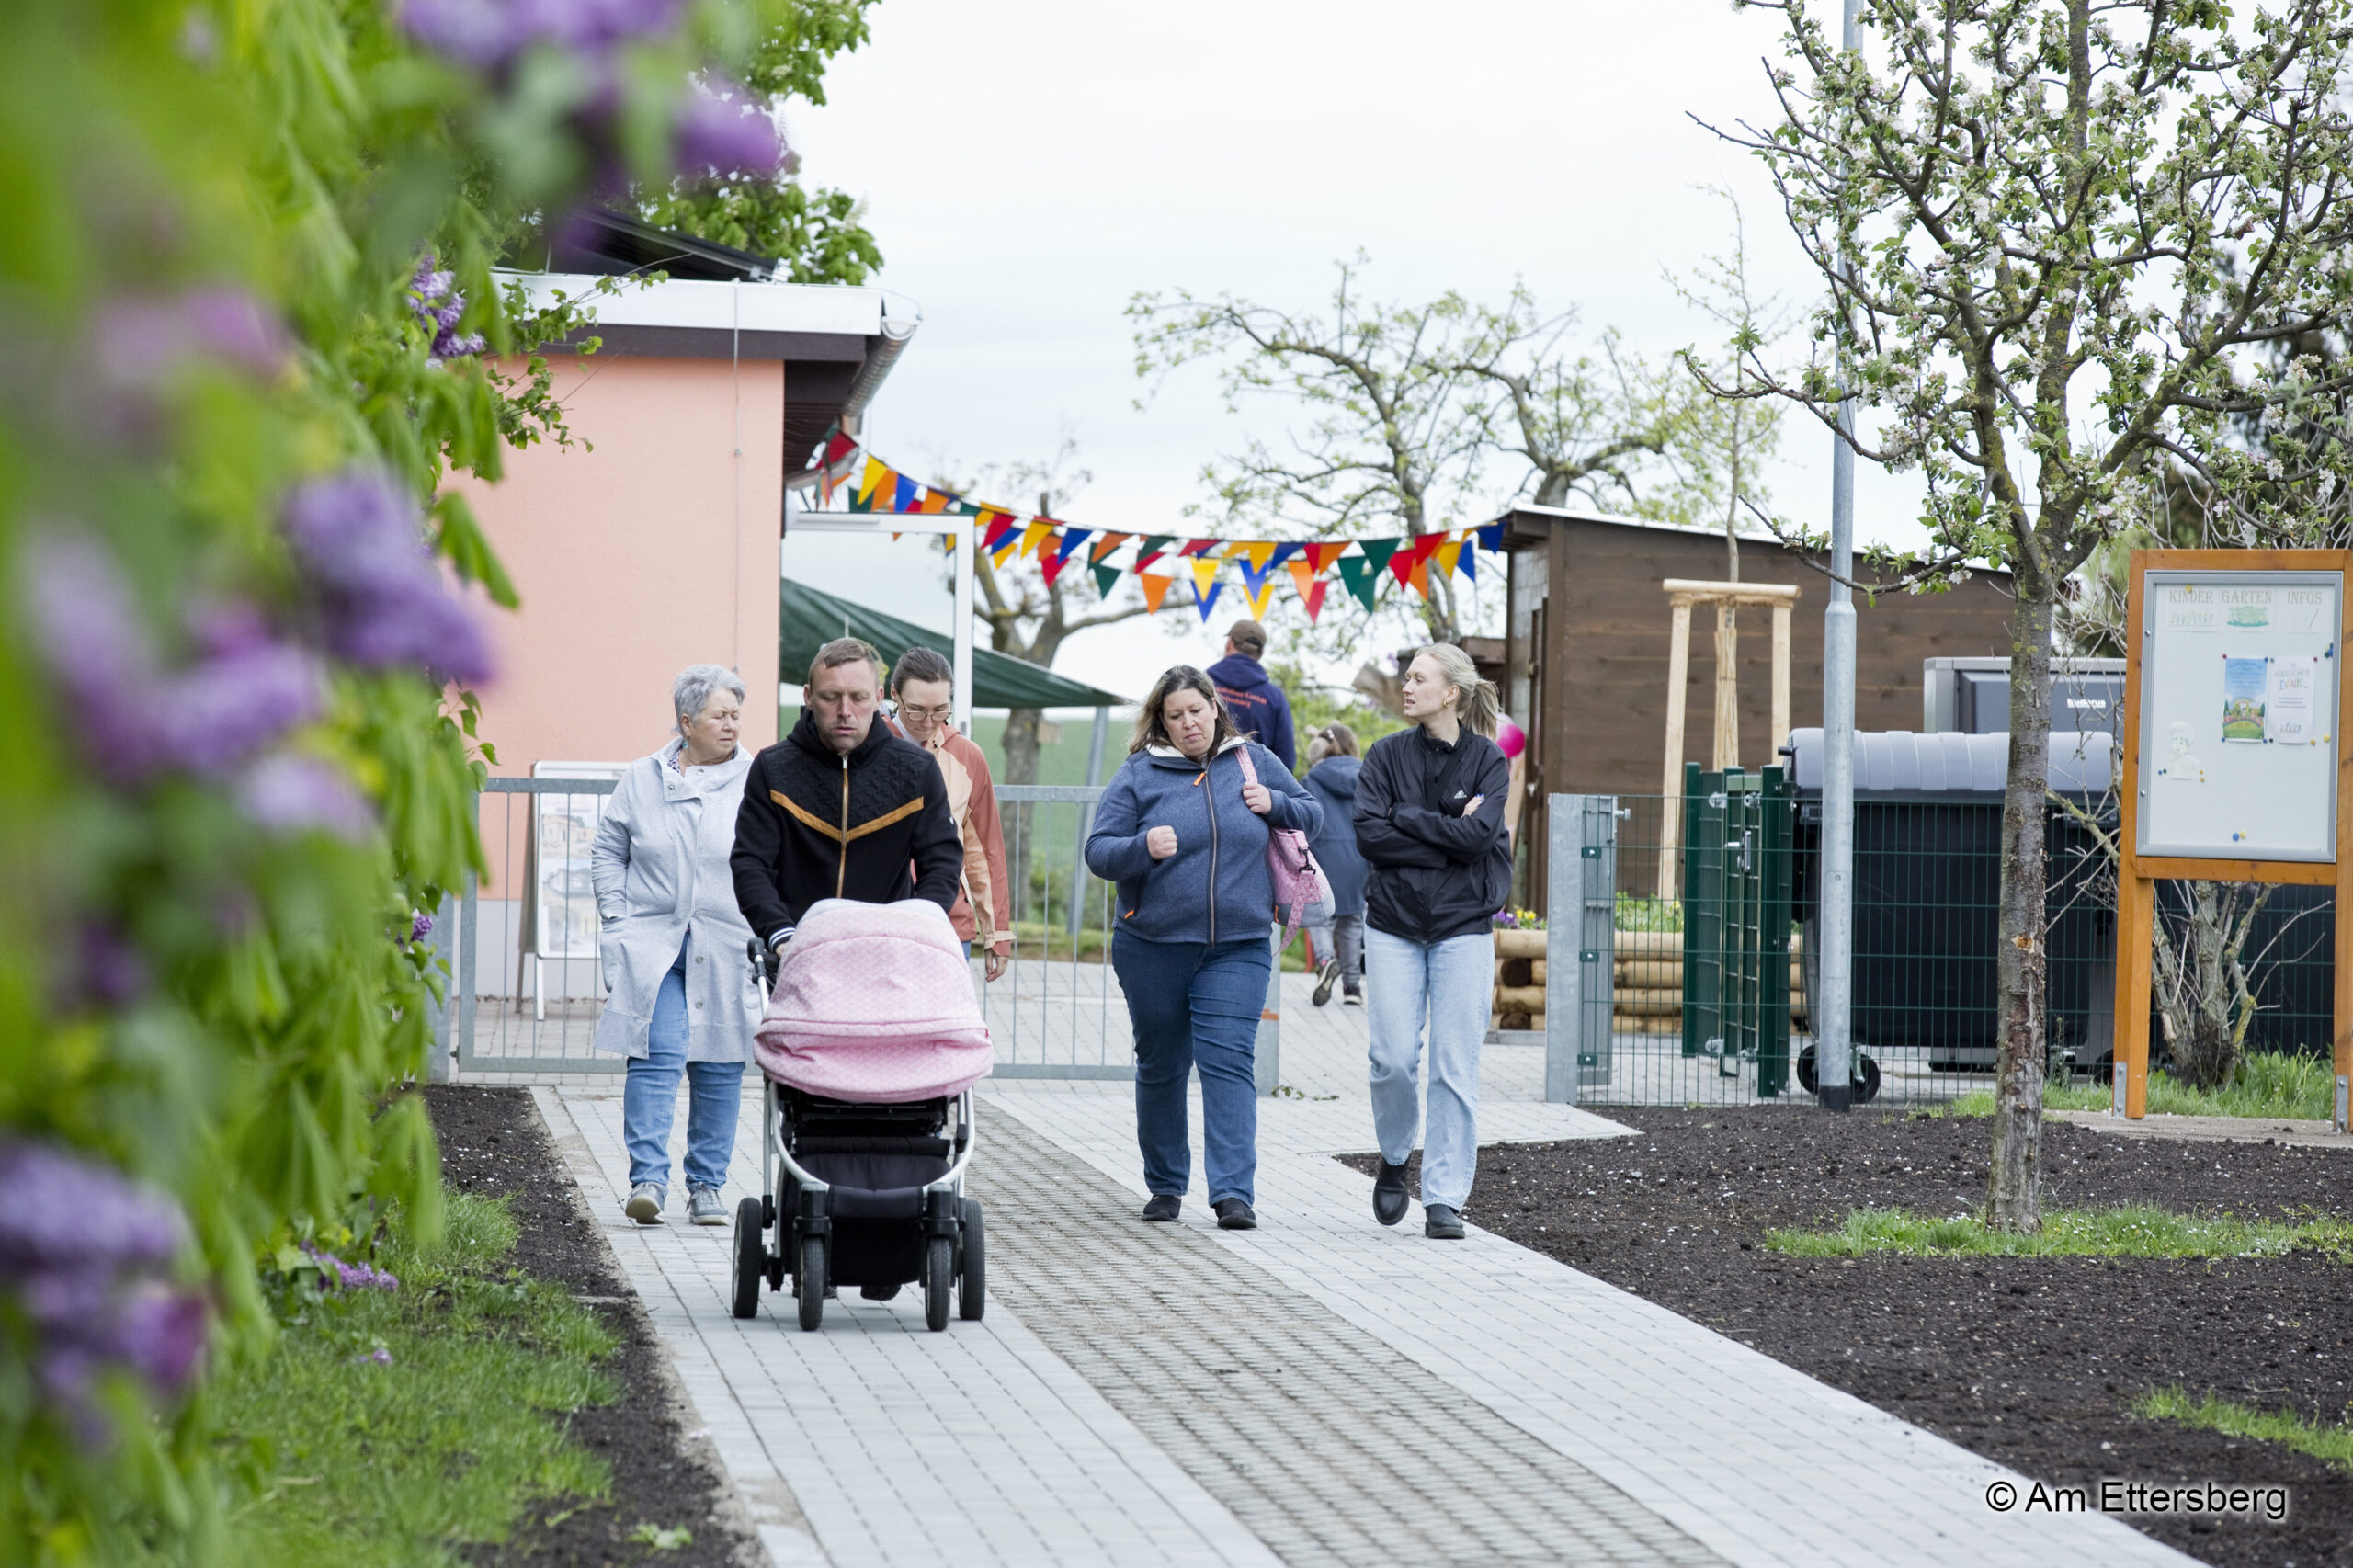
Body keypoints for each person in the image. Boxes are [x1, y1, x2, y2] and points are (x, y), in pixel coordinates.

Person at [1085, 666, 1320, 1231]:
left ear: (1215, 708)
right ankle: (1165, 1185)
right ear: (1161, 723)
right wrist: (1142, 845)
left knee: (1229, 1063)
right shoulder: (1140, 774)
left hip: (1238, 945)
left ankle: (1234, 1194)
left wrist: (1276, 805)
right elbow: (1099, 852)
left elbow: (1312, 812)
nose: (1189, 722)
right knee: (1163, 1064)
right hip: (1153, 945)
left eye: (1197, 710)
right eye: (1175, 715)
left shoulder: (1253, 762)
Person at [593, 665, 762, 1227]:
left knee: (718, 1065)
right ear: (686, 721)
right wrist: (616, 918)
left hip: (727, 941)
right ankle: (648, 1182)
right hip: (654, 943)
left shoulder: (755, 779)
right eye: (721, 714)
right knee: (656, 1055)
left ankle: (707, 1187)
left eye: (737, 714)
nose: (732, 724)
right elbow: (608, 848)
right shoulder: (642, 778)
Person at [1352, 644, 1511, 1241]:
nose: (1407, 686)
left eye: (1419, 678)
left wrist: (1408, 820)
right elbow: (1370, 835)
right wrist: (1449, 830)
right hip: (1392, 922)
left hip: (1462, 928)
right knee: (1391, 1058)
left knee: (1453, 1065)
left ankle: (1444, 1197)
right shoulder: (1383, 756)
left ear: (1452, 693)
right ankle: (1395, 1156)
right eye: (1406, 676)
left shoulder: (1490, 762)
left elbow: (1479, 840)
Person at [732, 637, 963, 957]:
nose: (845, 711)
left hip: (889, 953)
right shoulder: (773, 768)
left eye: (858, 697)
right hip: (798, 951)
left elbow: (942, 862)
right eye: (830, 697)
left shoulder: (917, 770)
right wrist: (779, 933)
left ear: (879, 698)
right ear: (809, 697)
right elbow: (751, 862)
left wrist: (915, 929)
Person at [883, 645, 1012, 982]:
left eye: (941, 710)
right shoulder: (867, 747)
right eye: (916, 711)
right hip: (880, 919)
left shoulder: (968, 756)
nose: (929, 723)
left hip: (950, 922)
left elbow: (984, 850)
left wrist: (996, 933)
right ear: (893, 694)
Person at [1300, 722, 1368, 1007]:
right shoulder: (1367, 777)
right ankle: (1352, 987)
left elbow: (1301, 821)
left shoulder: (1310, 780)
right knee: (1352, 921)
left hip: (1322, 857)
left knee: (1320, 918)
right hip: (1359, 859)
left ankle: (1326, 960)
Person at [1207, 618, 1296, 772]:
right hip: (1254, 790)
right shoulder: (1275, 698)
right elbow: (1286, 759)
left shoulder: (1200, 684)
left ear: (1229, 643)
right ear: (1260, 653)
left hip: (1203, 784)